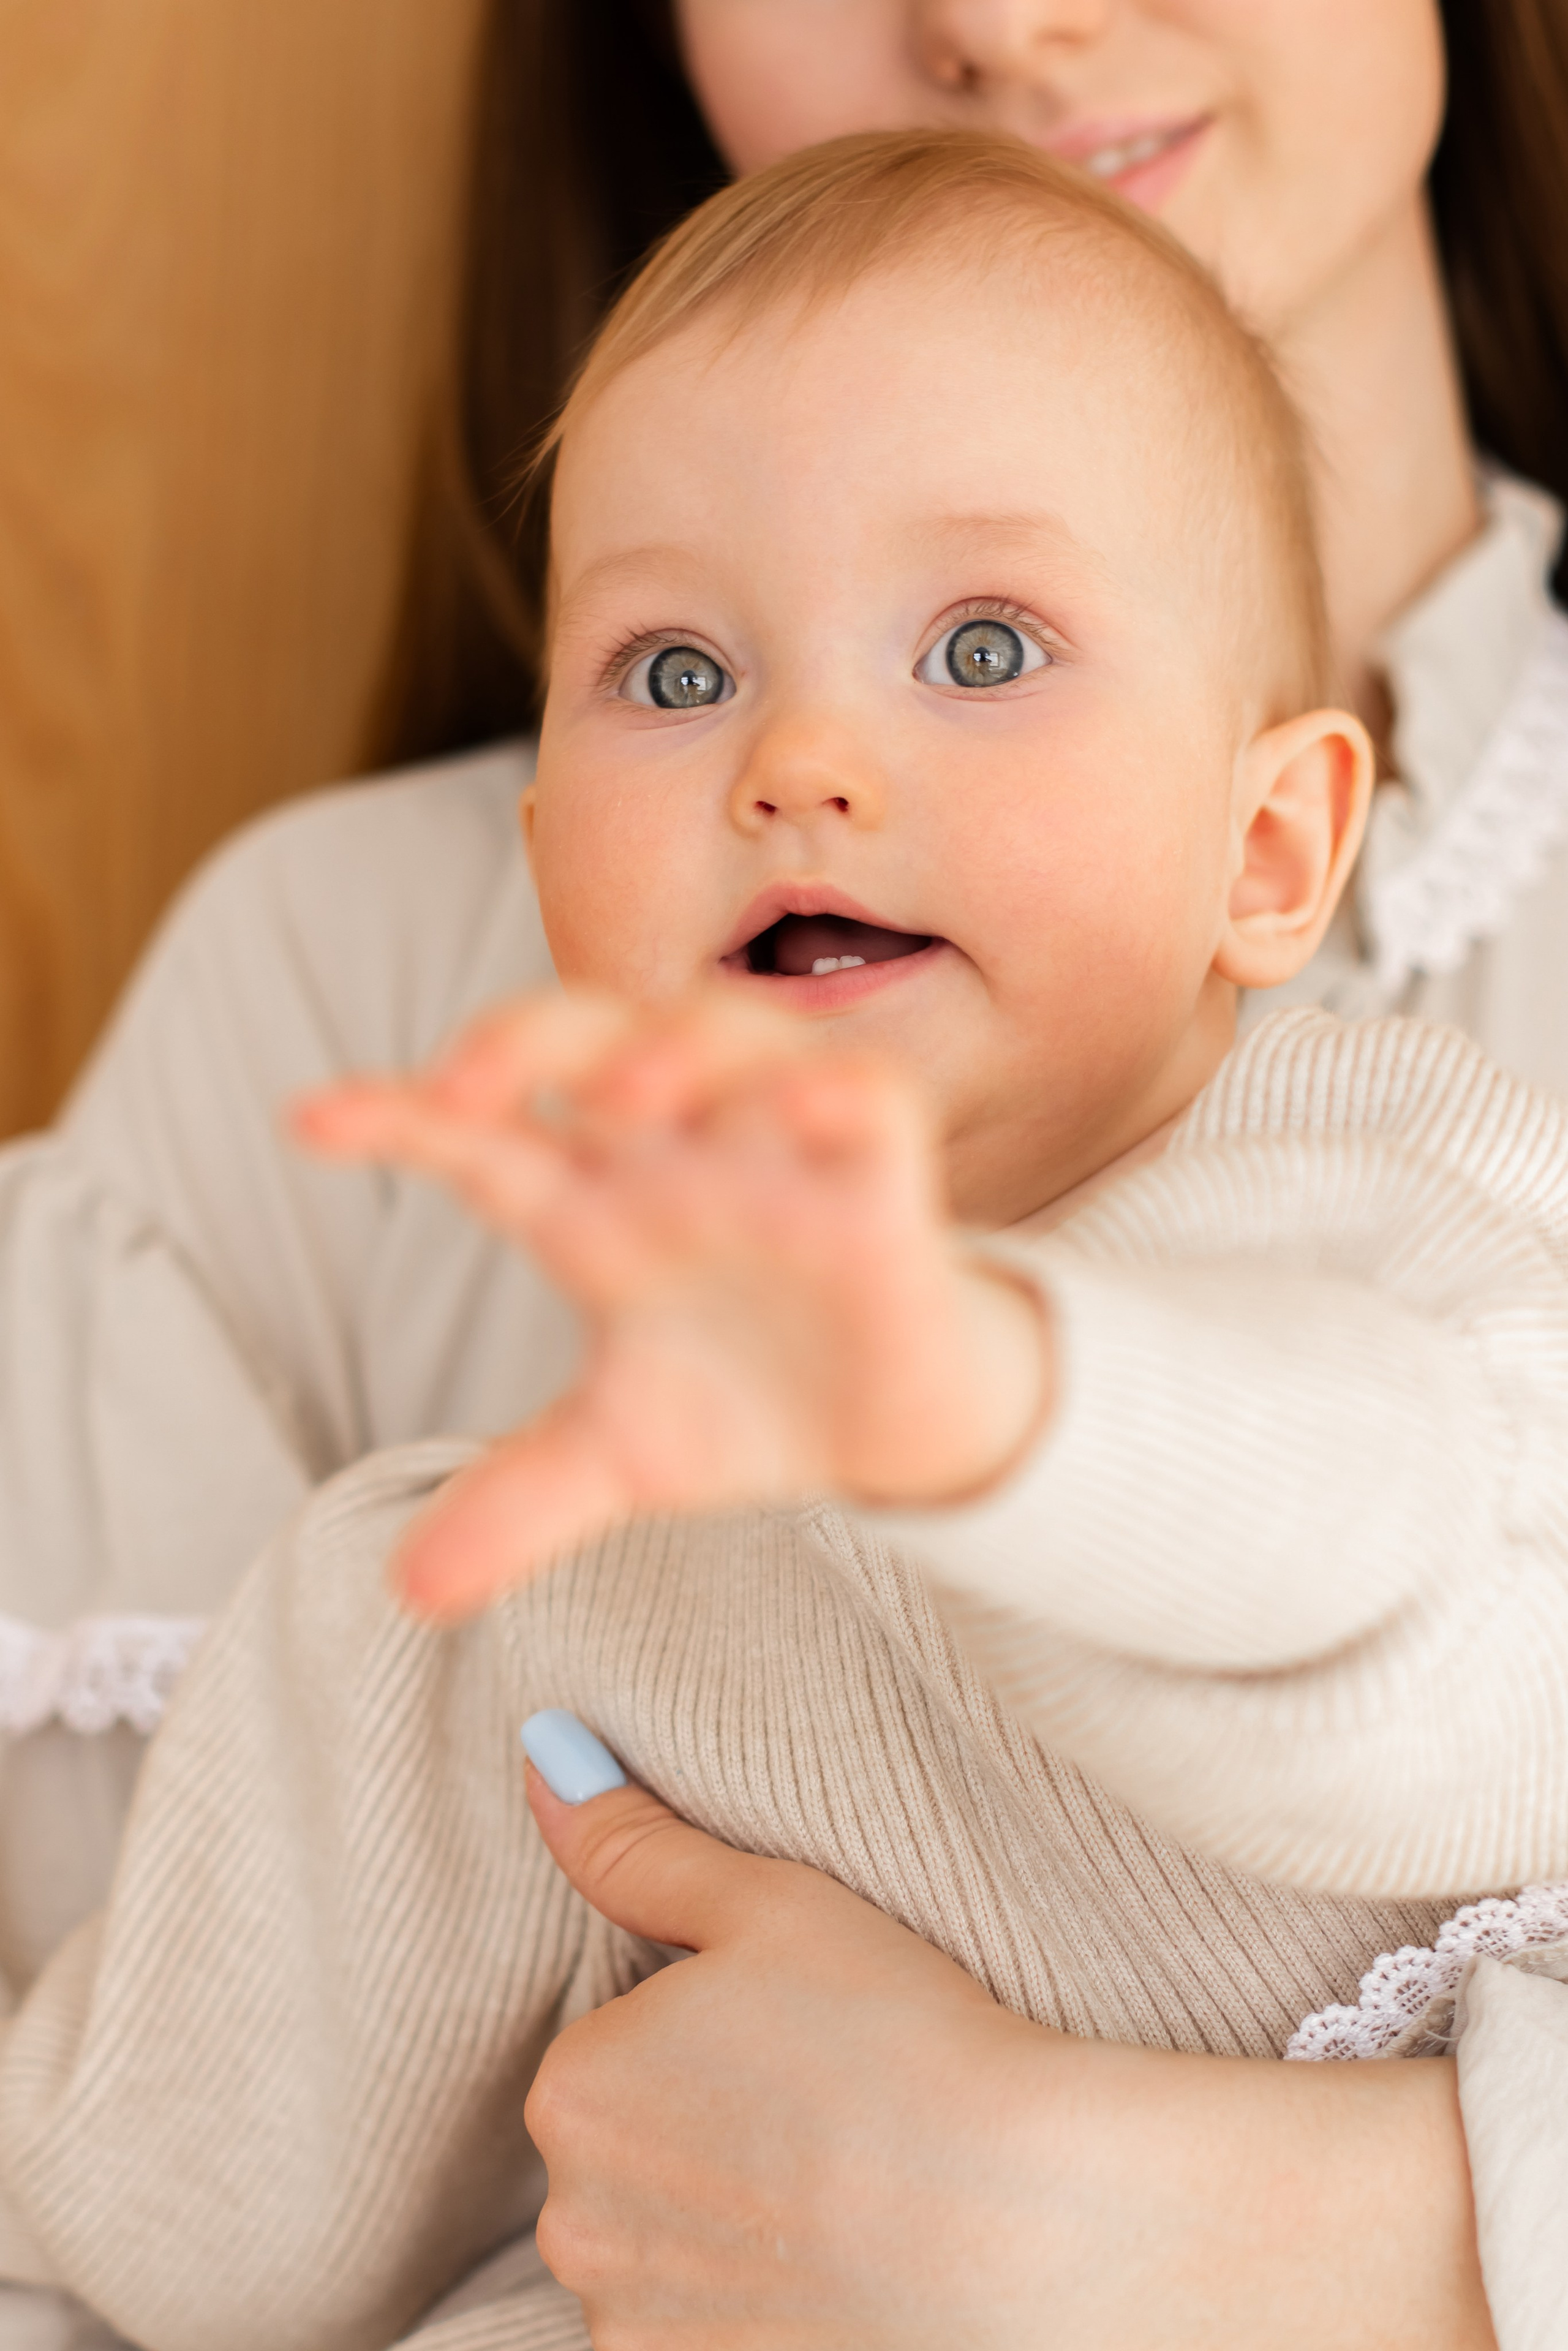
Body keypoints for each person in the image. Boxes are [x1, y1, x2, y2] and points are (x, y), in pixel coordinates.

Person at [0, 0, 1566, 2342]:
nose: (804, 760)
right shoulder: (503, 1575)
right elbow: (141, 2245)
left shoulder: (1401, 1222)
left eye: (981, 642)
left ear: (1271, 848)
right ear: (553, 877)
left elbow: (1427, 1593)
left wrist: (992, 1404)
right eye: (667, 674)